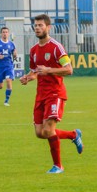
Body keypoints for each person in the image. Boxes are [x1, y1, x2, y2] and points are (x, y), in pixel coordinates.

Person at [18, 14, 83, 174]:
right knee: (40, 133)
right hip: (40, 95)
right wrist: (28, 77)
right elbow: (35, 72)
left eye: (40, 25)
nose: (37, 28)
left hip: (55, 93)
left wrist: (49, 70)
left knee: (48, 130)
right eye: (36, 25)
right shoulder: (33, 51)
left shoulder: (56, 47)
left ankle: (58, 166)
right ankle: (73, 134)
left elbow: (69, 69)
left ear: (48, 27)